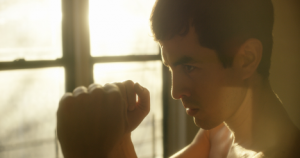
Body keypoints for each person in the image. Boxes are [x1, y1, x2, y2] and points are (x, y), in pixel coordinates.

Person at [56, 0, 300, 157]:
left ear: (246, 59)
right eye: (171, 68)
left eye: (190, 67)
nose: (176, 91)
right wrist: (117, 140)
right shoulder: (219, 133)